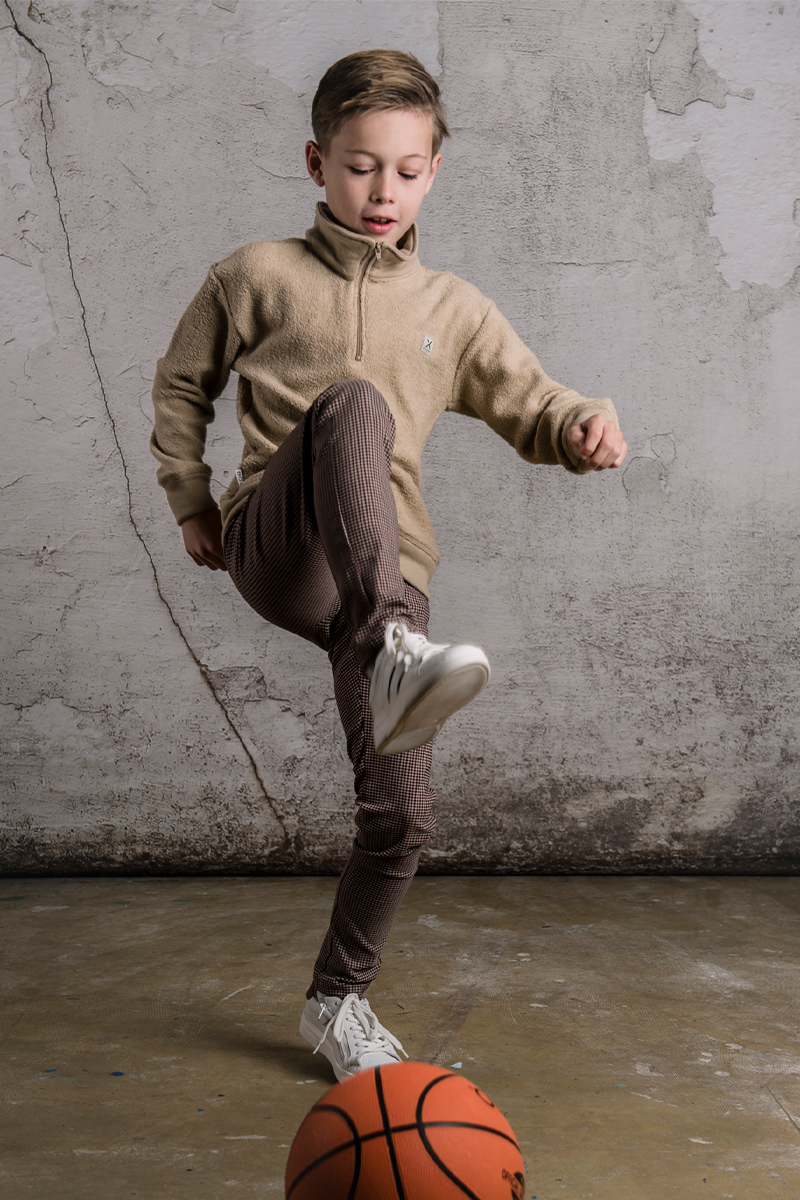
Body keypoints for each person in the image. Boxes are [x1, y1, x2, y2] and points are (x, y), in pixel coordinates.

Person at [150, 49, 627, 1083]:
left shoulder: (451, 306)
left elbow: (533, 400)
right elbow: (182, 384)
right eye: (361, 166)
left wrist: (580, 424)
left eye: (407, 171)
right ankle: (396, 649)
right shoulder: (254, 276)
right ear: (317, 163)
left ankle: (338, 1000)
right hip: (282, 544)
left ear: (434, 172)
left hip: (386, 575)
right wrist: (189, 496)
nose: (383, 191)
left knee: (402, 812)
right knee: (353, 403)